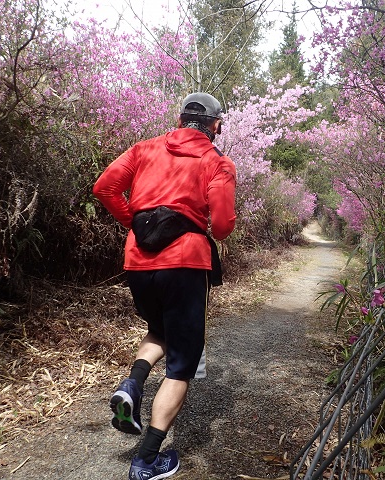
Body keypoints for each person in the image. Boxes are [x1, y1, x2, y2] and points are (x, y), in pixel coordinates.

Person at [92, 92, 237, 480]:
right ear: (216, 125)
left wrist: (138, 224)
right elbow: (221, 228)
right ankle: (146, 461)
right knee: (182, 365)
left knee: (159, 330)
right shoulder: (217, 162)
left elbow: (103, 188)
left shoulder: (143, 149)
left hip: (137, 262)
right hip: (186, 264)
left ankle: (133, 383)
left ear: (179, 120)